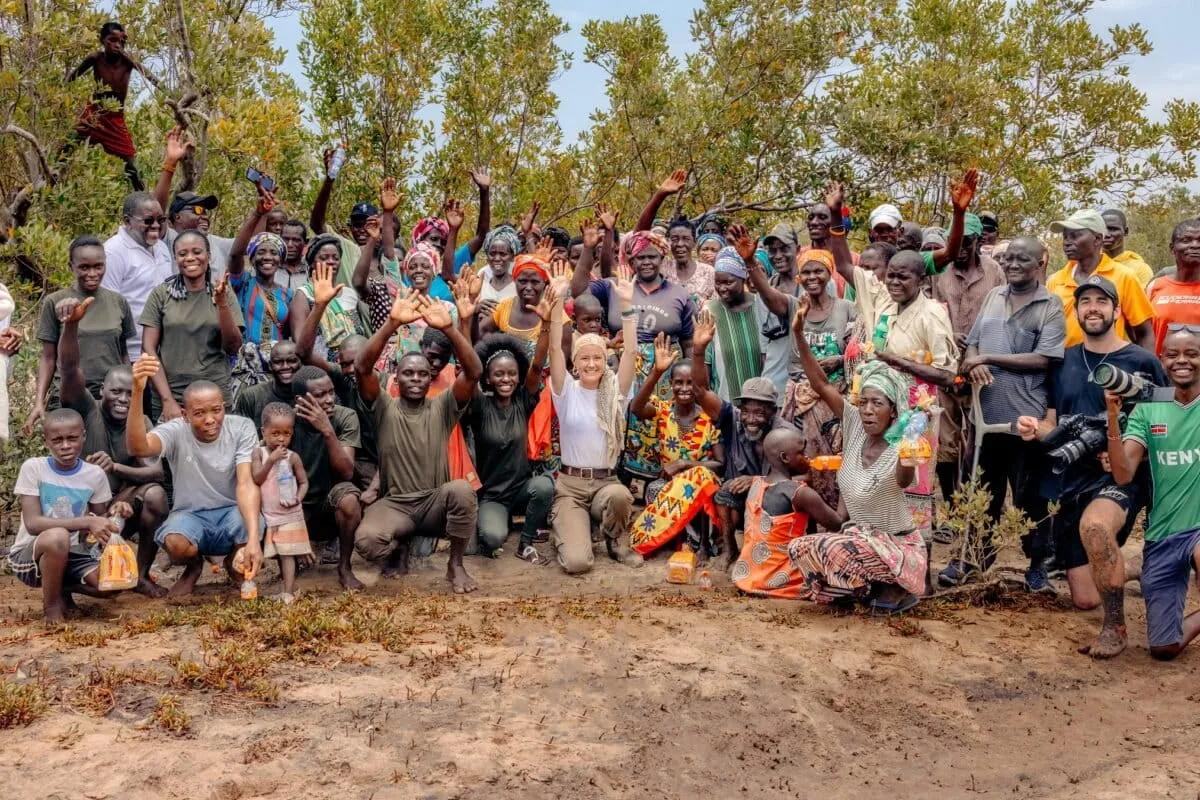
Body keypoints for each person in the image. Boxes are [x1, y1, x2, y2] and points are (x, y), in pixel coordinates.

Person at [1016, 275, 1166, 658]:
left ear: (1117, 310)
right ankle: (1133, 567)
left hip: (1122, 475)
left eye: (1102, 301)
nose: (1093, 308)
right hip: (1072, 478)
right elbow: (1053, 421)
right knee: (1084, 598)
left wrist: (1131, 450)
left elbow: (1168, 424)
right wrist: (1035, 428)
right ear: (1077, 310)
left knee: (1096, 526)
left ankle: (1115, 629)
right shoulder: (1063, 360)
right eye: (1085, 302)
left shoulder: (1143, 361)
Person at [788, 302, 928, 613]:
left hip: (896, 547)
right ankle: (865, 590)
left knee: (832, 549)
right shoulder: (853, 425)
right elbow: (820, 383)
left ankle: (892, 588)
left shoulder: (901, 447)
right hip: (860, 539)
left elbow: (904, 479)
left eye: (877, 403)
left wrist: (908, 453)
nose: (867, 410)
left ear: (893, 410)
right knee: (800, 548)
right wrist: (798, 333)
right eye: (863, 402)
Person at [949, 237, 1065, 589]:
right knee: (982, 489)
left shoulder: (1050, 304)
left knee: (1030, 496)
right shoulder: (993, 296)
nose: (1013, 264)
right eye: (1009, 258)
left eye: (1022, 259)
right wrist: (973, 362)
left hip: (1026, 420)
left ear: (1040, 263)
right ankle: (975, 559)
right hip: (985, 415)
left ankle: (1037, 565)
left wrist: (988, 358)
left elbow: (1044, 358)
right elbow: (973, 344)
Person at [352, 287, 483, 594]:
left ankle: (455, 565)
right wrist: (392, 323)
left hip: (434, 502)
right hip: (396, 504)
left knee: (462, 490)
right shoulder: (384, 406)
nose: (415, 379)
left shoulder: (443, 406)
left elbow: (474, 372)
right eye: (408, 373)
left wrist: (449, 328)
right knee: (367, 542)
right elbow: (361, 368)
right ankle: (399, 546)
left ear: (430, 378)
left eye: (422, 374)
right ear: (396, 377)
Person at [126, 357, 264, 597]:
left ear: (224, 407)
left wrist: (253, 539)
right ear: (185, 414)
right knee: (175, 542)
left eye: (217, 410)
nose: (210, 420)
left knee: (252, 524)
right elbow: (138, 447)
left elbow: (246, 484)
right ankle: (193, 567)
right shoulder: (176, 430)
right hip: (190, 515)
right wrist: (137, 391)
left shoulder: (241, 428)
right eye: (199, 413)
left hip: (232, 512)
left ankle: (234, 561)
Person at [57, 296, 166, 596]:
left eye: (130, 393)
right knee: (105, 586)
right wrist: (71, 326)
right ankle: (63, 583)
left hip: (120, 506)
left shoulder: (141, 421)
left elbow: (157, 473)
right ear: (102, 390)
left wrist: (115, 467)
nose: (123, 399)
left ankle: (142, 575)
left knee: (156, 496)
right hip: (81, 511)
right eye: (116, 391)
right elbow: (69, 368)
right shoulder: (87, 409)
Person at [570, 228, 695, 484]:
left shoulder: (680, 294)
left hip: (663, 371)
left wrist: (694, 378)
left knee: (657, 423)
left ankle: (656, 485)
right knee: (617, 419)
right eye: (640, 257)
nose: (646, 262)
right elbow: (578, 291)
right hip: (621, 366)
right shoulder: (614, 286)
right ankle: (617, 482)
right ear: (630, 259)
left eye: (652, 256)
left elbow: (689, 343)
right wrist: (588, 249)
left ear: (662, 258)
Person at [1107, 326, 1200, 660]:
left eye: (1192, 354)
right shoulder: (1148, 408)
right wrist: (1113, 418)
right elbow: (1122, 474)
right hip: (1164, 533)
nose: (1182, 361)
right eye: (1173, 355)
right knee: (1163, 648)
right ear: (1162, 361)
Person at [547, 266, 644, 574]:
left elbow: (630, 353)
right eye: (584, 358)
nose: (591, 364)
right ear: (575, 363)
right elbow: (554, 348)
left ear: (605, 361)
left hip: (605, 482)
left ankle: (614, 540)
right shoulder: (565, 391)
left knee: (620, 496)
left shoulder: (615, 392)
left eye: (597, 358)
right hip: (571, 486)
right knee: (577, 563)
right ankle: (569, 528)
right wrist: (558, 301)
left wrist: (626, 305)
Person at [9, 408, 133, 622]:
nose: (65, 446)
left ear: (83, 436)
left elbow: (99, 521)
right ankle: (52, 608)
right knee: (58, 536)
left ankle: (60, 587)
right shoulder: (34, 468)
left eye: (72, 438)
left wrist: (116, 511)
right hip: (30, 556)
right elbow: (32, 523)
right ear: (46, 441)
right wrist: (87, 521)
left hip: (72, 553)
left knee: (112, 583)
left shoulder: (94, 475)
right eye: (57, 440)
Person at [690, 311, 792, 566]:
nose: (751, 419)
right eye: (747, 411)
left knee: (773, 500)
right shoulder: (732, 419)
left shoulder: (785, 433)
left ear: (773, 411)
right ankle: (729, 549)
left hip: (773, 500)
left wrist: (757, 481)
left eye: (759, 412)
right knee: (723, 492)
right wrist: (699, 351)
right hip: (739, 497)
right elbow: (700, 392)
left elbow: (802, 479)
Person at [463, 327, 556, 564]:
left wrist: (546, 322)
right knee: (492, 538)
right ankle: (499, 519)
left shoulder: (523, 402)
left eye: (512, 373)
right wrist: (465, 321)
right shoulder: (480, 407)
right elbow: (468, 370)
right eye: (499, 374)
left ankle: (526, 543)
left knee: (544, 485)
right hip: (493, 496)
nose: (506, 379)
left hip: (521, 490)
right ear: (487, 378)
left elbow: (537, 366)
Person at [627, 333, 725, 560]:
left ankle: (702, 544)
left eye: (691, 383)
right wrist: (657, 372)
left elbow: (720, 464)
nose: (684, 388)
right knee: (655, 489)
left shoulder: (709, 418)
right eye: (679, 382)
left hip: (701, 487)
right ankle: (676, 538)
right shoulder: (663, 410)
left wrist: (683, 464)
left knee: (701, 479)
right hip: (670, 485)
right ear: (671, 385)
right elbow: (636, 408)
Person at [30, 236, 135, 433]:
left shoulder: (118, 302)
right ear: (71, 266)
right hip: (68, 396)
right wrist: (39, 402)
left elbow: (123, 354)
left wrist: (131, 393)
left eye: (98, 266)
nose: (92, 273)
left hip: (110, 399)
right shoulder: (55, 302)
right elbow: (48, 357)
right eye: (84, 267)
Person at [730, 426, 846, 598]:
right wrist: (846, 477)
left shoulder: (757, 484)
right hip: (779, 580)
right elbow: (838, 523)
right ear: (784, 457)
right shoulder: (799, 493)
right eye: (801, 452)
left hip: (747, 577)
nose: (807, 456)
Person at [140, 231, 244, 418]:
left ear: (209, 256)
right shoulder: (161, 295)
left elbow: (233, 346)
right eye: (182, 254)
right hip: (171, 395)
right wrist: (167, 400)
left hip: (213, 394)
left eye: (197, 252)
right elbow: (148, 349)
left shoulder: (223, 293)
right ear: (175, 259)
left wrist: (221, 304)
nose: (190, 258)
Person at [289, 365, 363, 590]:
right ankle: (288, 564)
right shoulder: (286, 421)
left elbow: (347, 472)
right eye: (320, 395)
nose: (330, 399)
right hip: (294, 504)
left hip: (327, 504)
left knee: (349, 501)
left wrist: (327, 430)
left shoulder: (345, 416)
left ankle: (345, 567)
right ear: (301, 401)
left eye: (331, 392)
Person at [1046, 209, 1154, 350]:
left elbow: (1144, 333)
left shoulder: (1124, 276)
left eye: (1075, 236)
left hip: (1109, 362)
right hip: (1065, 362)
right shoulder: (1056, 280)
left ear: (1097, 239)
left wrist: (1147, 363)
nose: (1067, 242)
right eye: (1065, 237)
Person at [67, 22, 145, 188]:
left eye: (121, 41)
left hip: (116, 119)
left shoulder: (128, 61)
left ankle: (143, 197)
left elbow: (150, 77)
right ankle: (49, 179)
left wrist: (173, 97)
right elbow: (70, 78)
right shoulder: (95, 58)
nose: (117, 45)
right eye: (112, 40)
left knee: (132, 165)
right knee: (68, 146)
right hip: (94, 113)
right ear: (102, 40)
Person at [101, 191, 173, 360]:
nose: (156, 226)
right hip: (131, 354)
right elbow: (108, 308)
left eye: (161, 220)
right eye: (148, 221)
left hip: (164, 351)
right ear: (128, 222)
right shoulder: (113, 252)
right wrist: (123, 359)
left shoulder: (161, 248)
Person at [154, 127, 234, 278]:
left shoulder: (216, 243)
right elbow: (155, 213)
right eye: (197, 210)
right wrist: (170, 163)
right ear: (178, 217)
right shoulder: (169, 240)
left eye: (205, 211)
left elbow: (251, 243)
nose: (204, 216)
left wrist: (261, 212)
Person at [251, 403, 311, 603]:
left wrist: (298, 498)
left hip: (289, 513)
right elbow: (257, 478)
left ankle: (288, 593)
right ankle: (286, 588)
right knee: (279, 552)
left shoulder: (293, 457)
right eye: (275, 433)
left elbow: (304, 482)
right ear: (263, 432)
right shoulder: (259, 453)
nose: (281, 439)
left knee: (287, 554)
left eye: (286, 434)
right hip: (270, 515)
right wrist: (271, 460)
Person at [931, 213, 1005, 348]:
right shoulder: (938, 267)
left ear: (978, 240)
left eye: (966, 241)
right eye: (954, 241)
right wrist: (948, 334)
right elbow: (925, 311)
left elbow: (1000, 314)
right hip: (942, 348)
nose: (959, 247)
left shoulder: (994, 270)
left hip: (981, 350)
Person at [703, 245, 763, 403]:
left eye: (728, 282)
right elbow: (705, 362)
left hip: (761, 402)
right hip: (724, 404)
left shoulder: (761, 306)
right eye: (718, 282)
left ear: (743, 278)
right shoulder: (710, 311)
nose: (722, 288)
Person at [293, 234, 361, 361]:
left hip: (354, 363)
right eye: (324, 258)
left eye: (336, 258)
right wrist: (331, 368)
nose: (331, 261)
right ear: (312, 263)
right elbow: (300, 346)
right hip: (322, 366)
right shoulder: (304, 294)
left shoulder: (349, 294)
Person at [1146, 220, 1200, 354]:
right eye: (1186, 240)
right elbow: (1142, 333)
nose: (1195, 245)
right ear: (1172, 248)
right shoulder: (1154, 287)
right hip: (1160, 366)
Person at [233, 340, 301, 435]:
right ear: (270, 365)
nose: (285, 366)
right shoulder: (252, 397)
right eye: (278, 362)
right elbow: (238, 437)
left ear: (301, 363)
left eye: (292, 361)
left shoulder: (310, 395)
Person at [661, 217, 716, 307]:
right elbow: (639, 239)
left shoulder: (708, 272)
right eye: (674, 239)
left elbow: (715, 307)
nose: (680, 244)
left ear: (694, 243)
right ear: (669, 242)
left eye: (686, 239)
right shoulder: (664, 266)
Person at [1101, 209, 1153, 287]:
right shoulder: (1090, 265)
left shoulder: (1140, 269)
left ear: (1125, 231)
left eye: (1113, 229)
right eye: (1102, 229)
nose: (1106, 235)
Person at [476, 224, 521, 308]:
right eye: (492, 254)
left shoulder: (519, 287)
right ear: (487, 257)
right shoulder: (480, 287)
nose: (497, 259)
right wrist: (477, 309)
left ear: (512, 257)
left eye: (503, 254)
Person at [276, 219, 311, 291]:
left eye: (296, 240)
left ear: (305, 242)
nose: (290, 244)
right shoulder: (270, 267)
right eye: (286, 239)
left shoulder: (311, 270)